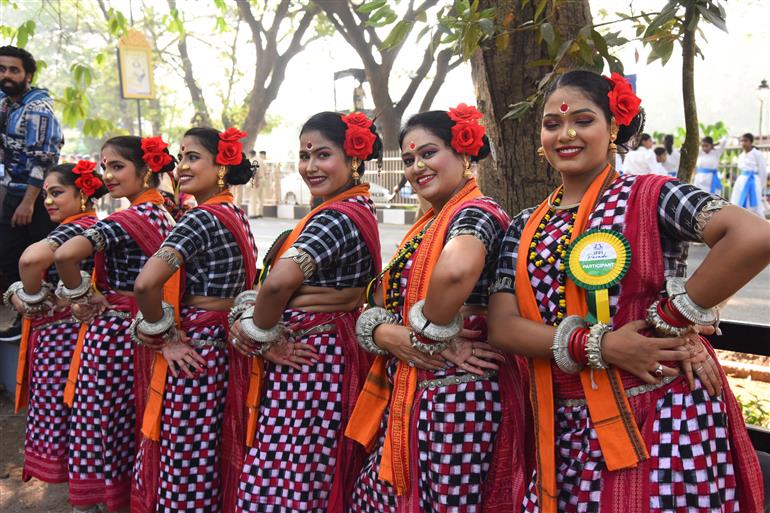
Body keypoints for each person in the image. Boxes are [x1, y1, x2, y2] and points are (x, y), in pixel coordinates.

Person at [487, 69, 767, 513]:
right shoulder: (524, 225)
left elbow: (753, 237)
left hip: (663, 413)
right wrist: (602, 345)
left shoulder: (651, 195)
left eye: (583, 120)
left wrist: (674, 318)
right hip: (566, 423)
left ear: (614, 127)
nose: (566, 134)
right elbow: (503, 327)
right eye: (552, 123)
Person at [346, 105, 531, 512]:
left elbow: (455, 272)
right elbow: (377, 301)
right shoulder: (428, 225)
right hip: (424, 395)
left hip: (460, 399)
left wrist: (427, 335)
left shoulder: (476, 212)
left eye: (429, 153)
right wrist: (389, 333)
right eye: (409, 159)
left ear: (464, 152)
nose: (416, 167)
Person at [231, 111, 383, 512]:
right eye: (304, 155)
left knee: (291, 465)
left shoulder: (334, 217)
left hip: (310, 362)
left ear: (353, 158)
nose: (310, 166)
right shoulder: (347, 208)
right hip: (325, 355)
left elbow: (279, 282)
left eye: (323, 155)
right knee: (309, 463)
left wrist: (259, 336)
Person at [130, 127, 258, 513]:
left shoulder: (198, 219)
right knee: (214, 450)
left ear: (221, 165)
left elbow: (146, 284)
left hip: (196, 353)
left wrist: (166, 339)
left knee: (186, 456)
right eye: (181, 157)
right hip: (226, 348)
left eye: (192, 157)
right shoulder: (234, 212)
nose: (181, 166)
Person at [53, 135, 177, 513]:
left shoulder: (127, 219)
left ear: (147, 170)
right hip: (152, 327)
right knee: (138, 420)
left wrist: (80, 296)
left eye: (117, 166)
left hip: (115, 335)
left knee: (106, 423)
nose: (108, 174)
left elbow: (64, 253)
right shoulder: (168, 213)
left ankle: (108, 500)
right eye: (105, 166)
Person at [3, 161, 105, 484]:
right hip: (71, 332)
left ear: (83, 194)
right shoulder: (85, 225)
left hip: (64, 335)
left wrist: (29, 295)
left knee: (67, 412)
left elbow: (31, 261)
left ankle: (81, 490)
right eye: (45, 194)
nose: (47, 201)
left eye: (57, 193)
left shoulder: (75, 228)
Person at [0, 45, 63, 342]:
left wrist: (28, 202)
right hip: (11, 190)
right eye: (2, 69)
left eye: (14, 70)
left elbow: (43, 161)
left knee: (38, 258)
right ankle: (26, 315)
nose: (7, 75)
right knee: (10, 257)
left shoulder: (37, 108)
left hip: (36, 195)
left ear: (28, 75)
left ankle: (46, 317)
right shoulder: (5, 103)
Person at [730, 132, 767, 217]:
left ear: (751, 142)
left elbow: (762, 170)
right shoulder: (741, 155)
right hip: (741, 180)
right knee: (738, 198)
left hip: (753, 180)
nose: (743, 143)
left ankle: (757, 220)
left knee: (754, 201)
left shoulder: (757, 153)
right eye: (742, 141)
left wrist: (760, 184)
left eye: (745, 141)